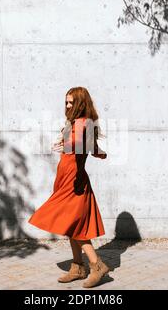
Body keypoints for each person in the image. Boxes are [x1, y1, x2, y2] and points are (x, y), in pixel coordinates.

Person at [28, 86, 110, 288]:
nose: (67, 105)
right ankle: (77, 267)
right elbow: (92, 147)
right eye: (66, 102)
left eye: (71, 102)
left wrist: (69, 145)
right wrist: (98, 152)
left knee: (72, 224)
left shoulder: (83, 123)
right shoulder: (79, 123)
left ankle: (97, 265)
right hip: (66, 180)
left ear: (81, 103)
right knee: (71, 224)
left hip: (75, 183)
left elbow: (80, 142)